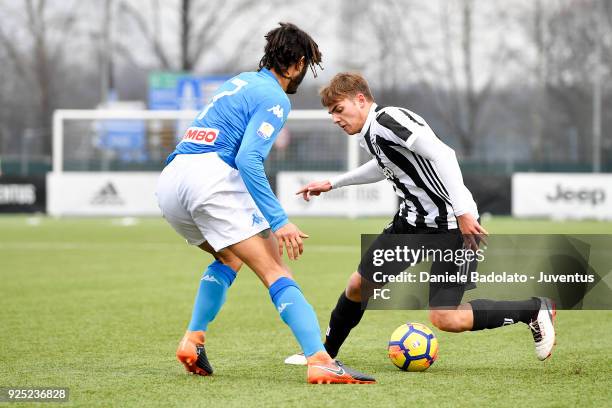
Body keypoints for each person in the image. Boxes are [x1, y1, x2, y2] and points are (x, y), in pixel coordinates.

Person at [284, 72, 556, 366]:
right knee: (358, 286)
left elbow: (444, 154)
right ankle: (325, 353)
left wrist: (462, 212)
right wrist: (333, 184)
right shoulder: (371, 133)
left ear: (360, 100)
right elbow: (382, 165)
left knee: (446, 317)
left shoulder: (389, 120)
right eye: (331, 113)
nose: (335, 119)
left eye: (339, 109)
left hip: (450, 227)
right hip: (411, 224)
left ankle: (532, 310)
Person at [156, 24, 374, 384]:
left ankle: (193, 338)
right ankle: (320, 360)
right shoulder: (275, 97)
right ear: (298, 63)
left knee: (229, 258)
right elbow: (248, 160)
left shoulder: (240, 81)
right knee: (275, 269)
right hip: (210, 177)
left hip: (172, 179)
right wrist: (279, 220)